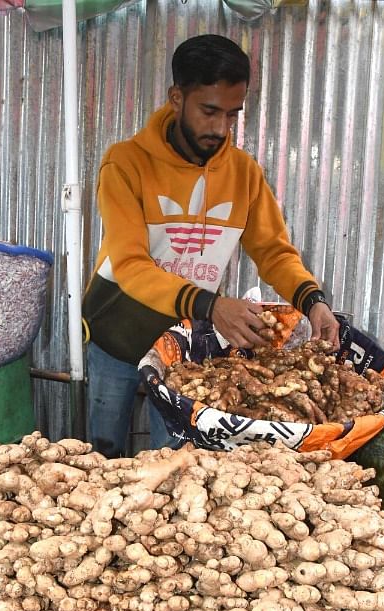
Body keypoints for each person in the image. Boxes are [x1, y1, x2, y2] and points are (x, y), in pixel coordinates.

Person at [81, 33, 340, 458]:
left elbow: (273, 252)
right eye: (209, 111)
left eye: (232, 114)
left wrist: (312, 301)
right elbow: (128, 264)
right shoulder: (125, 164)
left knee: (176, 459)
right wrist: (213, 306)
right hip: (118, 333)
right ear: (176, 97)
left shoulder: (244, 173)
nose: (221, 129)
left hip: (184, 343)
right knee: (104, 450)